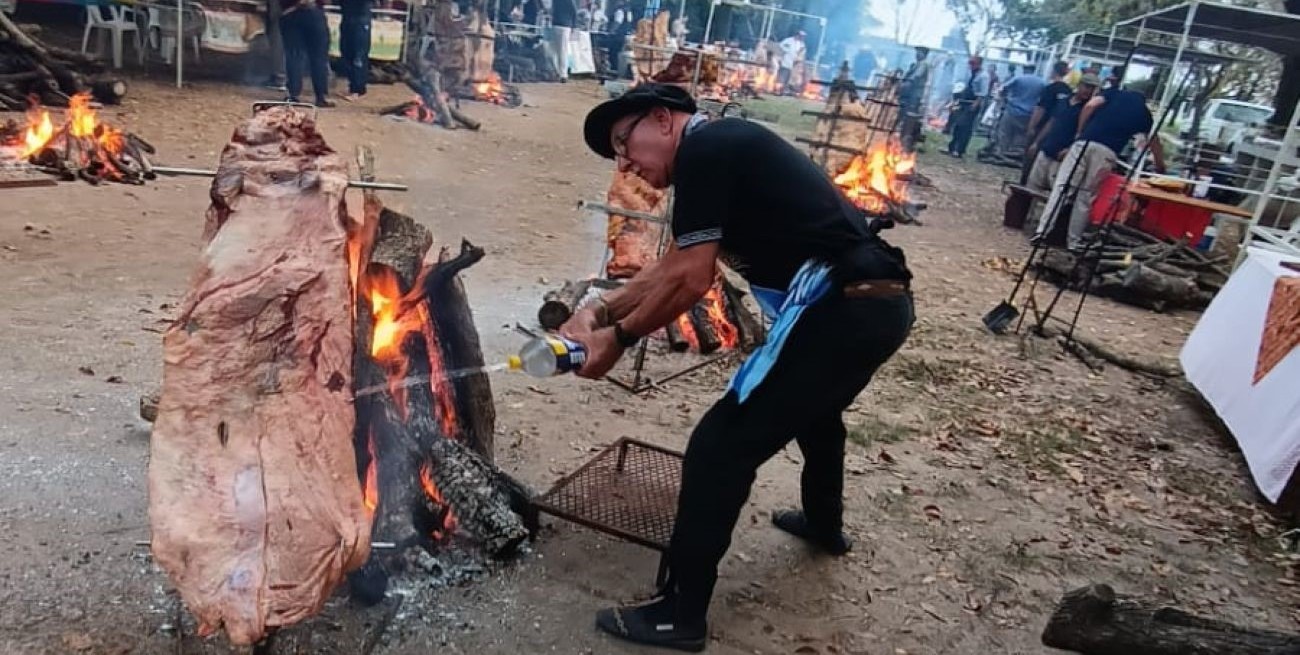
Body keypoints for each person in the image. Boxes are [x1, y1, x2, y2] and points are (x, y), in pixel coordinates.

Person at [570, 83, 914, 652]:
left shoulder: (708, 148)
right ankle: (823, 524)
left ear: (663, 119)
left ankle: (679, 614)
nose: (625, 162)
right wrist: (598, 311)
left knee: (719, 446)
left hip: (847, 307)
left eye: (624, 142)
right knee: (816, 410)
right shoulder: (716, 156)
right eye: (617, 155)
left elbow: (690, 280)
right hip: (874, 303)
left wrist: (620, 338)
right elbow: (671, 267)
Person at [1033, 82, 1167, 251]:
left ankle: (1042, 232)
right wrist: (1160, 165)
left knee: (1062, 188)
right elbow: (1153, 141)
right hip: (1107, 152)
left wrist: (1081, 131)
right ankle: (1073, 242)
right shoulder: (1145, 115)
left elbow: (1090, 105)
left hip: (1084, 143)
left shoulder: (1113, 94)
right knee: (1085, 195)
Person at [1024, 73, 1100, 235]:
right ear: (1079, 85)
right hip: (1047, 148)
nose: (1088, 91)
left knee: (1055, 192)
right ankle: (1027, 218)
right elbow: (1052, 122)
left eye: (1092, 88)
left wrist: (1070, 149)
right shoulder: (1064, 101)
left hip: (1063, 155)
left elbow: (1085, 133)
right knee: (1033, 186)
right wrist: (1037, 142)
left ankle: (1043, 226)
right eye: (1086, 86)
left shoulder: (1089, 110)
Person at [982, 66, 1045, 161]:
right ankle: (1015, 156)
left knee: (1005, 133)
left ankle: (1001, 154)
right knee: (1021, 136)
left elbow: (1003, 89)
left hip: (1012, 110)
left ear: (1024, 69)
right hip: (1029, 114)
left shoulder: (1018, 78)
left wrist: (1004, 98)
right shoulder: (1042, 82)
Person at [280, 0, 334, 107]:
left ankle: (293, 94)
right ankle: (321, 96)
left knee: (294, 55)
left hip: (290, 13)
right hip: (313, 13)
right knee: (318, 57)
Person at [946, 56, 989, 158]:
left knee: (965, 128)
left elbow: (982, 94)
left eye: (973, 63)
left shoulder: (984, 76)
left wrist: (975, 104)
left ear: (979, 64)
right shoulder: (971, 73)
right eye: (970, 63)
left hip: (972, 103)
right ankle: (952, 147)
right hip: (963, 102)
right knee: (957, 125)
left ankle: (959, 150)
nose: (970, 65)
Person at [896, 46, 932, 152]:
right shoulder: (916, 64)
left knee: (909, 118)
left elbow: (915, 77)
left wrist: (905, 85)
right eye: (916, 52)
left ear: (924, 54)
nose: (917, 55)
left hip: (914, 96)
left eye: (919, 53)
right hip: (909, 95)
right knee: (903, 115)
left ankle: (905, 141)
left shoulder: (924, 64)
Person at [337, 0, 372, 101]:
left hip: (360, 18)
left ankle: (358, 89)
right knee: (347, 53)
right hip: (347, 17)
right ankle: (352, 86)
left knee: (358, 55)